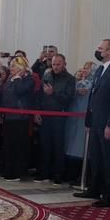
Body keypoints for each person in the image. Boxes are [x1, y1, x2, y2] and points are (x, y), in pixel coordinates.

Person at [73, 39, 110, 208]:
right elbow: (93, 96)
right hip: (96, 122)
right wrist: (89, 120)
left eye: (100, 49)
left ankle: (108, 194)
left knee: (109, 160)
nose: (97, 51)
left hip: (108, 123)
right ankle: (94, 188)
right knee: (96, 158)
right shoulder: (100, 70)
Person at [34, 54, 76, 186]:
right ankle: (44, 172)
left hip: (59, 115)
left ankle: (58, 174)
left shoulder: (69, 79)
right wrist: (36, 112)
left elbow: (68, 99)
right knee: (44, 144)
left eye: (58, 64)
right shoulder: (47, 76)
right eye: (53, 64)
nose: (55, 67)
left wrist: (53, 93)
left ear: (64, 65)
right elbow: (38, 94)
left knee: (58, 145)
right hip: (45, 114)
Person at [0, 57, 35, 181]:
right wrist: (2, 113)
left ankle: (17, 172)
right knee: (8, 145)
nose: (11, 69)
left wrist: (18, 78)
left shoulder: (30, 79)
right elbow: (5, 96)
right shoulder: (10, 78)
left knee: (18, 145)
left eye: (14, 66)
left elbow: (21, 91)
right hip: (9, 116)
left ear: (21, 68)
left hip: (20, 117)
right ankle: (8, 170)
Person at [64, 62, 98, 182]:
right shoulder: (79, 84)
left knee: (83, 147)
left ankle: (85, 176)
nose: (84, 71)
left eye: (87, 69)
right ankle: (73, 173)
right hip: (74, 118)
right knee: (72, 146)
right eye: (83, 68)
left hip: (85, 120)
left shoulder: (96, 85)